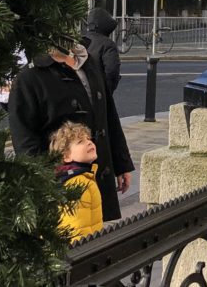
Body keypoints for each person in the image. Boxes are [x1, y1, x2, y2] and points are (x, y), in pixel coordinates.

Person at [8, 39, 134, 221]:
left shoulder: (86, 60)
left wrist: (122, 163)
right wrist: (45, 188)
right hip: (62, 187)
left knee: (96, 235)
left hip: (97, 175)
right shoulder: (29, 76)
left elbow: (108, 114)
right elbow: (25, 142)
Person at [49, 121, 103, 241]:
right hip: (81, 253)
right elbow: (76, 229)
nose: (89, 143)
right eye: (80, 142)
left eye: (89, 139)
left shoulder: (83, 177)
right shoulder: (77, 184)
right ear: (66, 156)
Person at [84, 7, 121, 93]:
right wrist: (107, 93)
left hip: (80, 95)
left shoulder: (80, 41)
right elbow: (112, 72)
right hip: (99, 94)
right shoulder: (108, 45)